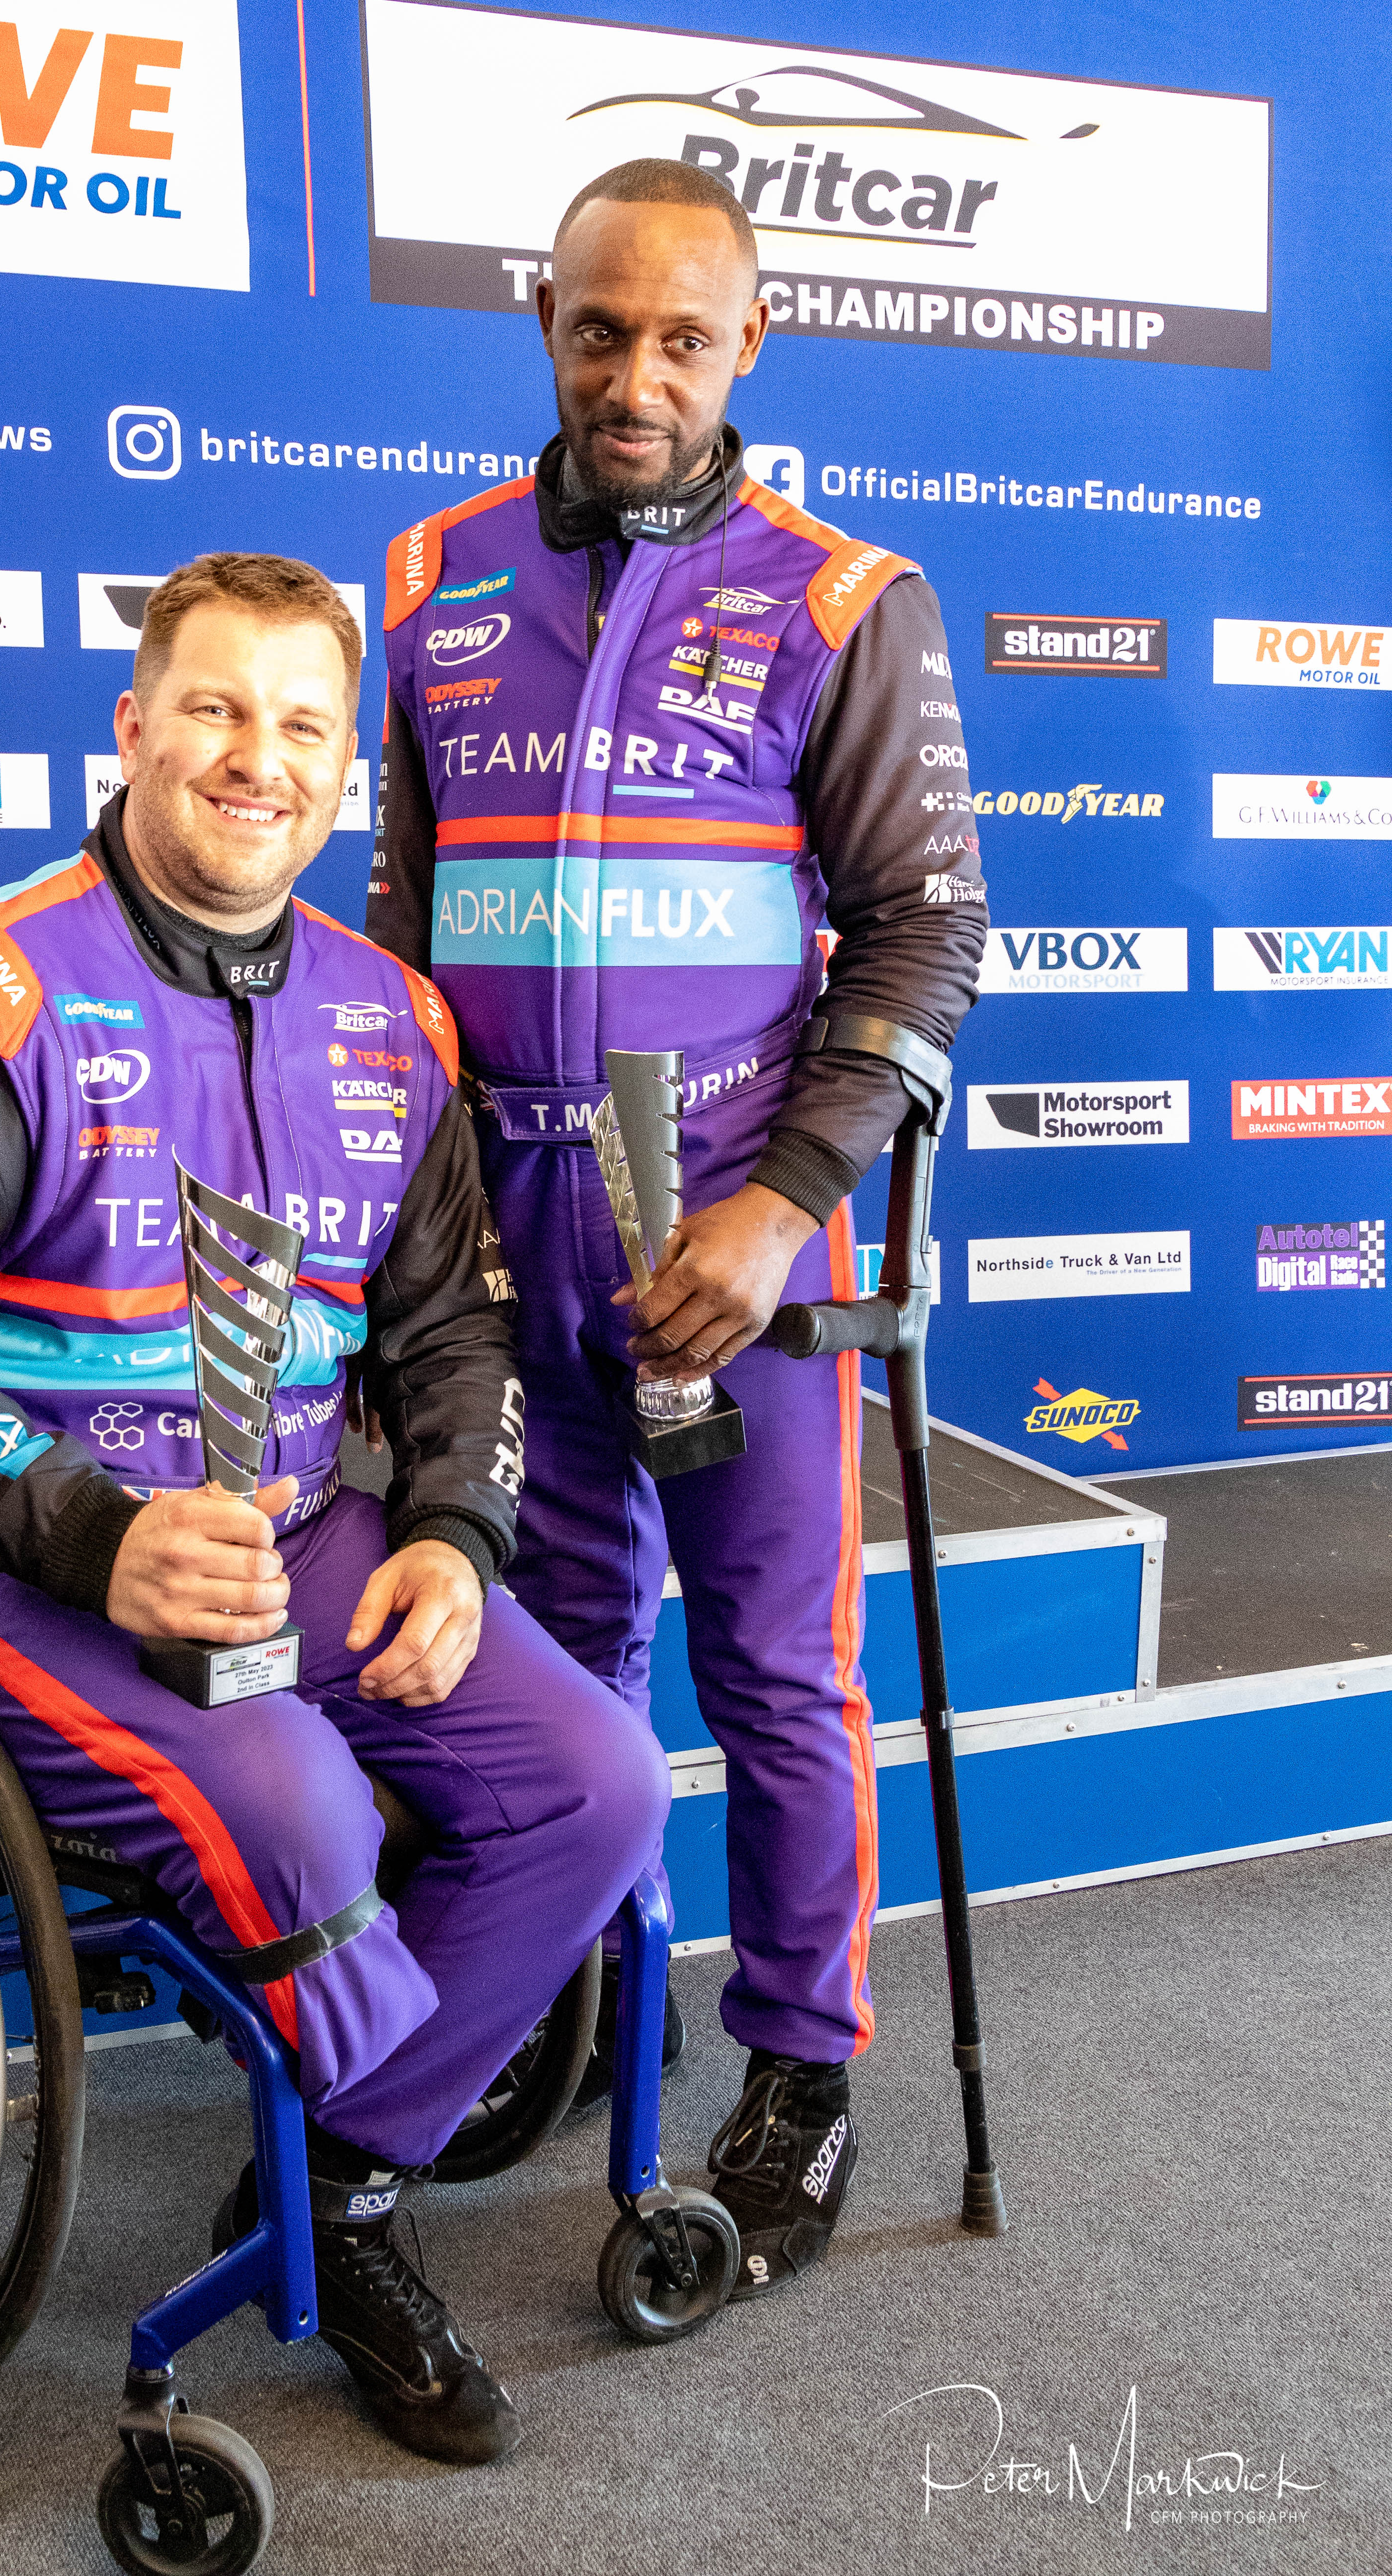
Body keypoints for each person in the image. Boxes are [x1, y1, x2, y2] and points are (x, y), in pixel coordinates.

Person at [0, 552, 669, 2463]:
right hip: (6, 1551)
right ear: (131, 725)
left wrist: (455, 1535)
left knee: (602, 1783)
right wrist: (97, 1534)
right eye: (212, 708)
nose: (253, 759)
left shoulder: (396, 1017)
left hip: (290, 1520)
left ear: (345, 769)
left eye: (299, 726)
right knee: (294, 1800)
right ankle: (345, 2146)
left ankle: (335, 2188)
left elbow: (453, 1337)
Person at [365, 159, 987, 2292]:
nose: (638, 375)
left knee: (777, 1674)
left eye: (684, 338)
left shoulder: (837, 595)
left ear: (750, 345)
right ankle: (556, 1986)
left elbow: (923, 941)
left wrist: (780, 1205)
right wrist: (401, 1201)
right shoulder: (433, 577)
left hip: (728, 1237)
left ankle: (802, 2067)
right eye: (599, 328)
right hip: (504, 1216)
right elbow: (400, 922)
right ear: (545, 315)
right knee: (550, 1641)